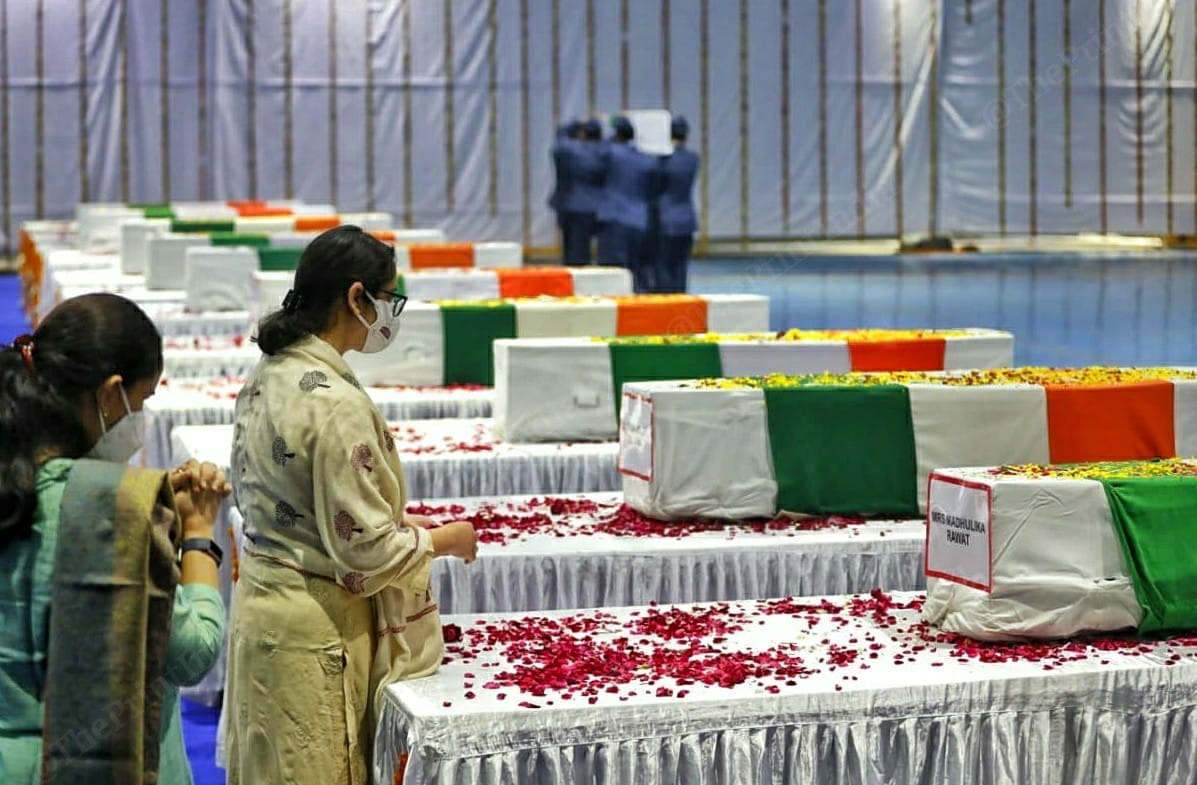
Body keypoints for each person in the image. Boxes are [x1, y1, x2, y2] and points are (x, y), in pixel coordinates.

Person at [224, 225, 478, 784]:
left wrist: (388, 521)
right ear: (356, 298)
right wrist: (444, 540)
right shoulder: (337, 405)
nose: (391, 313)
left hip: (260, 607)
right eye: (387, 299)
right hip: (314, 627)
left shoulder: (267, 372)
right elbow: (363, 553)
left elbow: (268, 494)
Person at [0, 292, 230, 785]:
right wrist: (197, 533)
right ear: (110, 394)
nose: (141, 418)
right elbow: (191, 653)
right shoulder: (116, 506)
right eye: (142, 401)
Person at [596, 116, 658, 292]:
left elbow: (597, 152)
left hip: (614, 217)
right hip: (639, 218)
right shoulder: (646, 159)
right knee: (638, 269)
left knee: (613, 271)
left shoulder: (611, 153)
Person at [655, 115, 700, 293]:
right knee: (681, 266)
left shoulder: (661, 160)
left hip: (664, 219)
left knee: (663, 265)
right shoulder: (693, 159)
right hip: (686, 219)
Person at [557, 118, 605, 264]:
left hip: (573, 205)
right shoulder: (606, 151)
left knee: (574, 251)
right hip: (599, 206)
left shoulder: (569, 150)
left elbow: (560, 135)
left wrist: (576, 123)